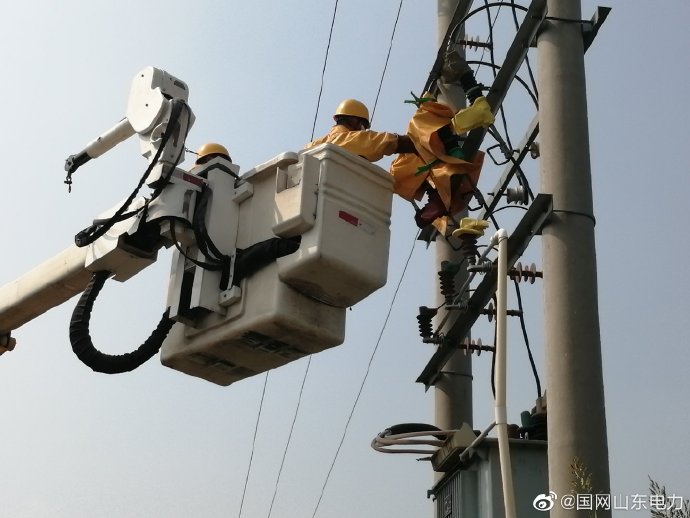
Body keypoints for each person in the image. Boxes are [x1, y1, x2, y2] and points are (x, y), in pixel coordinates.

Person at [305, 99, 416, 161]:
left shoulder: (312, 146)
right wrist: (418, 141)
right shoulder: (349, 139)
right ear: (353, 119)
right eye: (363, 125)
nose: (362, 130)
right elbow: (384, 142)